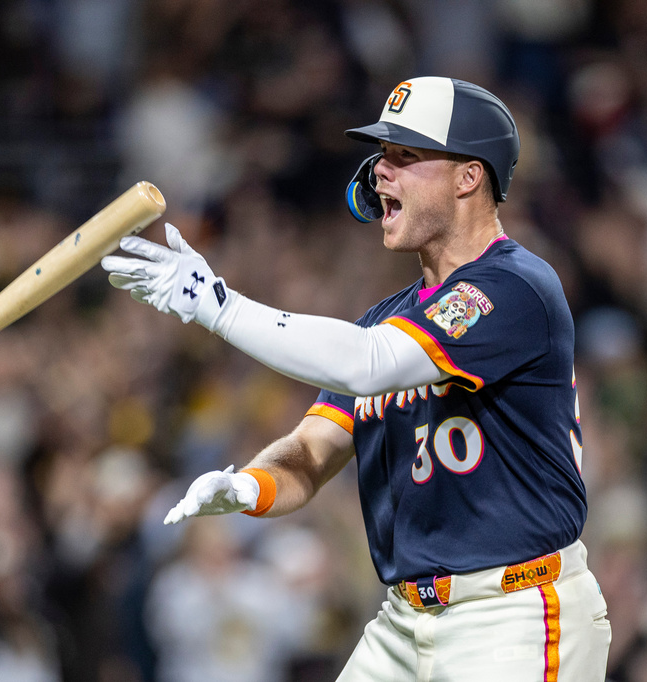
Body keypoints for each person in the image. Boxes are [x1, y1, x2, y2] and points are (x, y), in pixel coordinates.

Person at [101, 76, 611, 681]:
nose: (380, 173)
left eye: (406, 156)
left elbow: (367, 364)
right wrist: (250, 488)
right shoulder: (389, 320)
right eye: (382, 156)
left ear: (468, 177)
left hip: (513, 615)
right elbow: (314, 450)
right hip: (403, 619)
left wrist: (219, 305)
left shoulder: (515, 287)